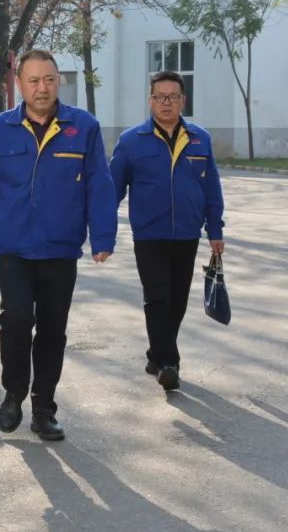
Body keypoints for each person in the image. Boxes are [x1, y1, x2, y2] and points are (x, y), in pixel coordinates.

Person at [0, 49, 116, 441]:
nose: (42, 88)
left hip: (60, 247)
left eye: (49, 79)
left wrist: (103, 236)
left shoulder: (83, 127)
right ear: (19, 84)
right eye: (33, 81)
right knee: (16, 320)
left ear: (58, 81)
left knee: (53, 330)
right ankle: (13, 392)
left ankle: (44, 408)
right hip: (13, 246)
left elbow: (99, 184)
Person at [109, 70, 225, 392]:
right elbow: (111, 189)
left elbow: (211, 189)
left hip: (187, 233)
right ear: (150, 101)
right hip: (149, 235)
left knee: (177, 301)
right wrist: (99, 227)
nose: (166, 103)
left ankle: (155, 353)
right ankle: (168, 363)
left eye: (173, 97)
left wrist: (215, 229)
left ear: (183, 101)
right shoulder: (131, 141)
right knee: (157, 296)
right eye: (160, 97)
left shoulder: (200, 139)